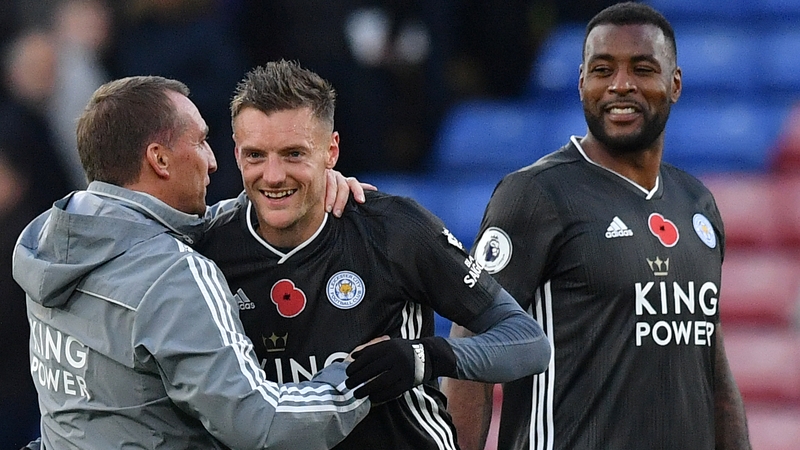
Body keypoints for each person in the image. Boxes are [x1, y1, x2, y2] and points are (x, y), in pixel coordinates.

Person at [195, 59, 552, 449]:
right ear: (235, 154)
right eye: (256, 155)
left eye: (294, 154)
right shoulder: (209, 248)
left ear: (331, 151)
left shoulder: (392, 228)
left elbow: (528, 342)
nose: (274, 175)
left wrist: (422, 358)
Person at [442, 3, 752, 450]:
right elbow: (470, 348)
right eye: (603, 70)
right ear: (582, 83)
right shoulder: (535, 196)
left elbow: (712, 365)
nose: (620, 85)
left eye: (642, 69)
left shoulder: (697, 204)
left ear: (675, 84)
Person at [12, 75, 376, 450]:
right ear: (160, 159)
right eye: (201, 141)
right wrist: (358, 378)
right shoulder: (171, 275)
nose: (213, 162)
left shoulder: (51, 244)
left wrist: (301, 194)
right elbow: (262, 425)